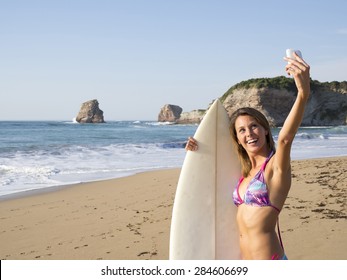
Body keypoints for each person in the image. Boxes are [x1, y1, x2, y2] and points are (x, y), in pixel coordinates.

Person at [185, 52, 311, 260]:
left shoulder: (274, 167)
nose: (249, 133)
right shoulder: (243, 172)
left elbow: (285, 139)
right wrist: (198, 151)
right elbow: (213, 175)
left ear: (265, 130)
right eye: (242, 130)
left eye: (254, 126)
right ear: (237, 138)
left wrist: (302, 93)